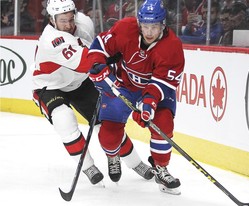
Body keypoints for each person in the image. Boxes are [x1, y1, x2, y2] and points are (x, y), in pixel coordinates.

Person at [88, 0, 185, 195]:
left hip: (155, 93)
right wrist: (97, 64)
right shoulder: (126, 28)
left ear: (163, 25)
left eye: (154, 27)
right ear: (139, 23)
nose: (149, 32)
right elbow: (100, 45)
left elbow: (161, 84)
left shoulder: (172, 47)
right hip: (122, 86)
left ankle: (161, 169)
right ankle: (113, 155)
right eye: (145, 26)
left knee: (163, 124)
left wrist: (147, 105)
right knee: (108, 138)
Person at [31, 0, 104, 185]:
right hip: (50, 85)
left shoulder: (84, 23)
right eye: (63, 20)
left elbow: (96, 46)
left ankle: (135, 163)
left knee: (106, 122)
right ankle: (88, 166)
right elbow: (85, 61)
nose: (69, 25)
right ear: (52, 19)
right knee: (63, 118)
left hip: (78, 82)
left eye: (71, 19)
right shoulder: (52, 39)